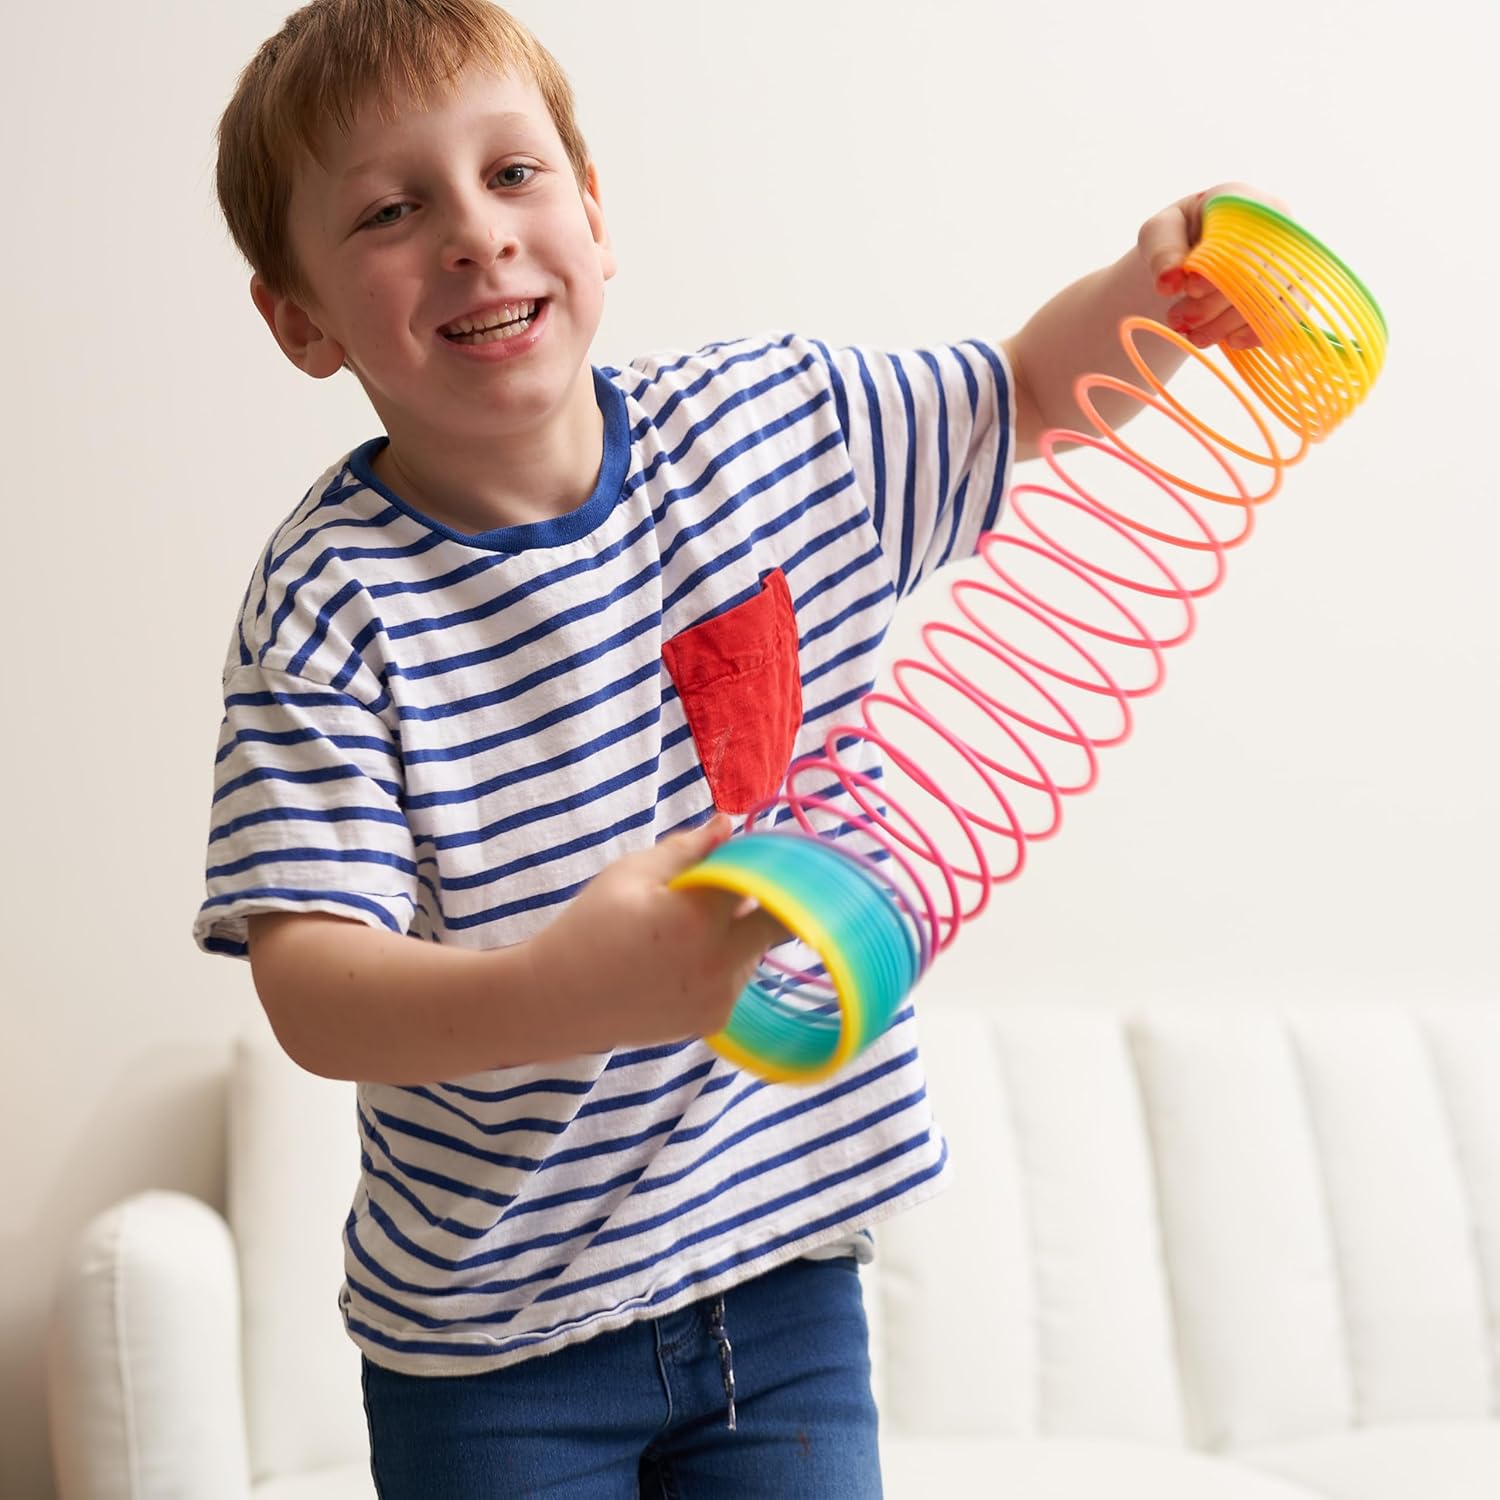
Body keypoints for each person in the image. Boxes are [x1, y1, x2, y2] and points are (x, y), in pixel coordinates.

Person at [196, 1, 1270, 1493]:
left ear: (593, 213)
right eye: (392, 210)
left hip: (781, 1274)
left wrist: (1158, 291)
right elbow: (312, 985)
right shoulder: (329, 602)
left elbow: (1032, 392)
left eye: (513, 174)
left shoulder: (777, 426)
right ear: (301, 319)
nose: (476, 236)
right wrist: (559, 991)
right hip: (492, 1348)